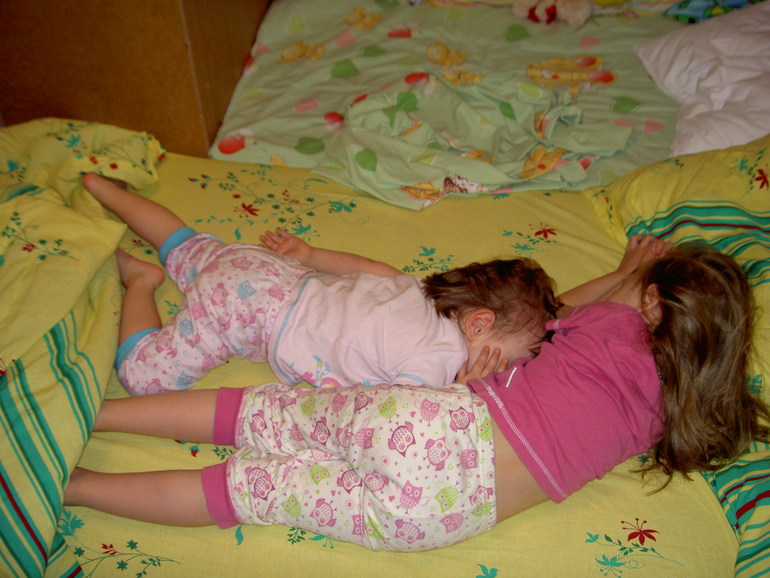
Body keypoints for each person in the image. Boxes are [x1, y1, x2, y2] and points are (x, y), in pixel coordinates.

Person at [64, 239, 770, 552]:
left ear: (653, 303)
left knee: (263, 413)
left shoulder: (618, 323)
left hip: (432, 423)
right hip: (441, 514)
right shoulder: (670, 418)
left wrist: (626, 271)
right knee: (252, 490)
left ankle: (92, 412)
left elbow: (557, 312)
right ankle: (76, 487)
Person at [81, 173, 556, 395]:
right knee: (142, 377)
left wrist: (309, 255)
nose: (502, 372)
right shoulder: (439, 359)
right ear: (478, 324)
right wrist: (461, 394)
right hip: (248, 316)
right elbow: (401, 412)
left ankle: (99, 188)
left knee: (186, 243)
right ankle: (140, 281)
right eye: (504, 359)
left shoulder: (420, 290)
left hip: (276, 274)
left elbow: (368, 266)